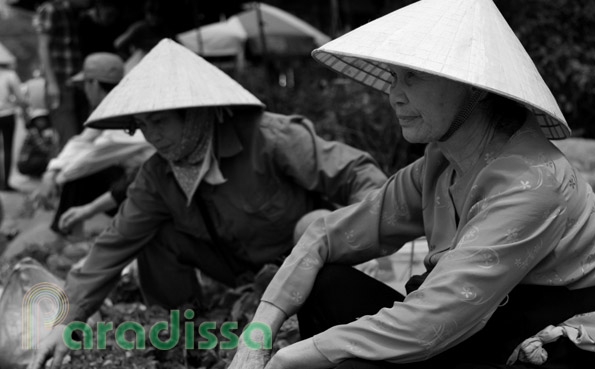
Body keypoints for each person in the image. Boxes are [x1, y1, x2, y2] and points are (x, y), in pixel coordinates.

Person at [229, 1, 595, 369]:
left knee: (354, 362)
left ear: (475, 89)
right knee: (329, 287)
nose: (393, 94)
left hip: (564, 343)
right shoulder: (441, 165)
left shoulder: (533, 181)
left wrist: (289, 357)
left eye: (412, 77)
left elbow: (432, 318)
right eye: (393, 77)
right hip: (488, 327)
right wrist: (260, 331)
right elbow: (328, 235)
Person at [29, 39, 387, 369]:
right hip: (233, 268)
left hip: (296, 266)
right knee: (152, 232)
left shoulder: (268, 137)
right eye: (142, 125)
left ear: (196, 113)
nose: (152, 136)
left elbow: (358, 173)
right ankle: (184, 329)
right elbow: (113, 243)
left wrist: (361, 241)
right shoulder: (157, 175)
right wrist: (67, 320)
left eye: (159, 122)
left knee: (314, 222)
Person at [31, 52, 154, 236]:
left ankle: (70, 233)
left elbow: (88, 159)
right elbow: (81, 142)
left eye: (84, 85)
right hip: (133, 183)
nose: (84, 92)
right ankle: (70, 232)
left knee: (78, 174)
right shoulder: (108, 110)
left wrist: (54, 181)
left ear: (94, 84)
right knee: (76, 172)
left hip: (147, 192)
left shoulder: (122, 119)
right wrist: (51, 173)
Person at [33, 0, 90, 145]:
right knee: (68, 137)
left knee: (81, 135)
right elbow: (43, 47)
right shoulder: (51, 9)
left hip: (77, 83)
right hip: (60, 83)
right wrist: (52, 83)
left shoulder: (73, 13)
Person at [0, 52, 26, 191]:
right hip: (7, 114)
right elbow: (20, 98)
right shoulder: (10, 75)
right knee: (7, 148)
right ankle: (6, 183)